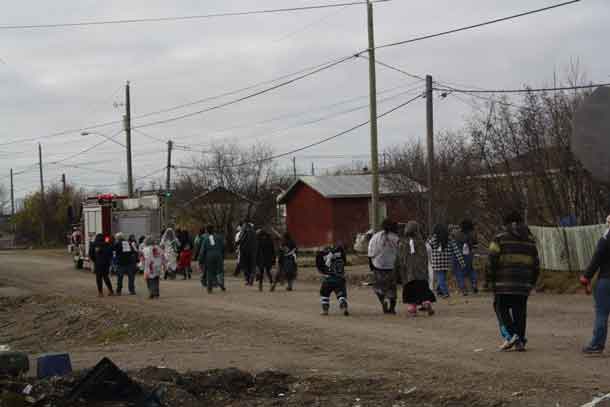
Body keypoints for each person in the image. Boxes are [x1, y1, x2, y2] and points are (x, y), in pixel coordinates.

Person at [488, 211, 540, 352]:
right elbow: (536, 264)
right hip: (523, 283)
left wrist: (490, 279)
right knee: (520, 311)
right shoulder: (530, 240)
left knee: (500, 307)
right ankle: (520, 341)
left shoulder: (499, 238)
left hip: (503, 283)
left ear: (506, 224)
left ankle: (512, 335)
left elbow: (492, 260)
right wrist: (532, 282)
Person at [580, 214, 610, 354]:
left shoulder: (605, 239)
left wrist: (586, 277)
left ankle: (597, 344)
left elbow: (596, 259)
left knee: (602, 313)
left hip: (606, 280)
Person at [396, 221, 436, 317]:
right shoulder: (421, 242)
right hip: (420, 272)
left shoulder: (402, 243)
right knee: (422, 289)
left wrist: (402, 270)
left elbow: (401, 259)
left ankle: (412, 308)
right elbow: (424, 257)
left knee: (411, 291)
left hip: (409, 273)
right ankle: (426, 303)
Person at [368, 219, 400, 314]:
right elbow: (400, 252)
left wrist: (371, 265)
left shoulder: (375, 237)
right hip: (392, 266)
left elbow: (370, 251)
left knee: (378, 287)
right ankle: (392, 308)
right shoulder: (395, 238)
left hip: (378, 265)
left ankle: (383, 301)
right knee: (392, 288)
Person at [428, 224, 465, 298]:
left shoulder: (434, 239)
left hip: (437, 262)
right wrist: (462, 262)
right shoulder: (450, 239)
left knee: (440, 277)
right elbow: (456, 251)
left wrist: (432, 237)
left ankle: (445, 292)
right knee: (442, 277)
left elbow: (430, 245)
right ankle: (439, 291)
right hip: (446, 262)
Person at [316, 242, 349, 316]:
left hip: (328, 279)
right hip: (339, 278)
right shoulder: (340, 250)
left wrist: (324, 273)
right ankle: (343, 305)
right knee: (341, 295)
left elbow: (320, 267)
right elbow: (344, 261)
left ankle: (325, 310)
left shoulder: (320, 254)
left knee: (324, 294)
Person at [453, 219, 479, 296]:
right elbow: (475, 245)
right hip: (469, 255)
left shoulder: (457, 234)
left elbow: (454, 244)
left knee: (459, 272)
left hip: (459, 255)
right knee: (470, 269)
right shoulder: (473, 234)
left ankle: (463, 289)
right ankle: (474, 283)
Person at [199, 225, 226, 293]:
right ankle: (222, 285)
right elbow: (223, 247)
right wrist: (223, 256)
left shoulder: (205, 239)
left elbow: (202, 250)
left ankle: (209, 288)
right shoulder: (219, 237)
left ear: (207, 231)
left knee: (210, 271)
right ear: (213, 230)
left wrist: (200, 260)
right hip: (218, 255)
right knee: (220, 271)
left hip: (209, 256)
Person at [238, 221, 258, 286]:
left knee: (246, 266)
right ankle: (251, 279)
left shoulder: (244, 232)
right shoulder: (254, 233)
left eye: (243, 226)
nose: (242, 227)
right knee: (252, 266)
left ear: (246, 227)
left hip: (245, 252)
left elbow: (240, 240)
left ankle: (248, 279)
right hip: (253, 252)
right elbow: (256, 243)